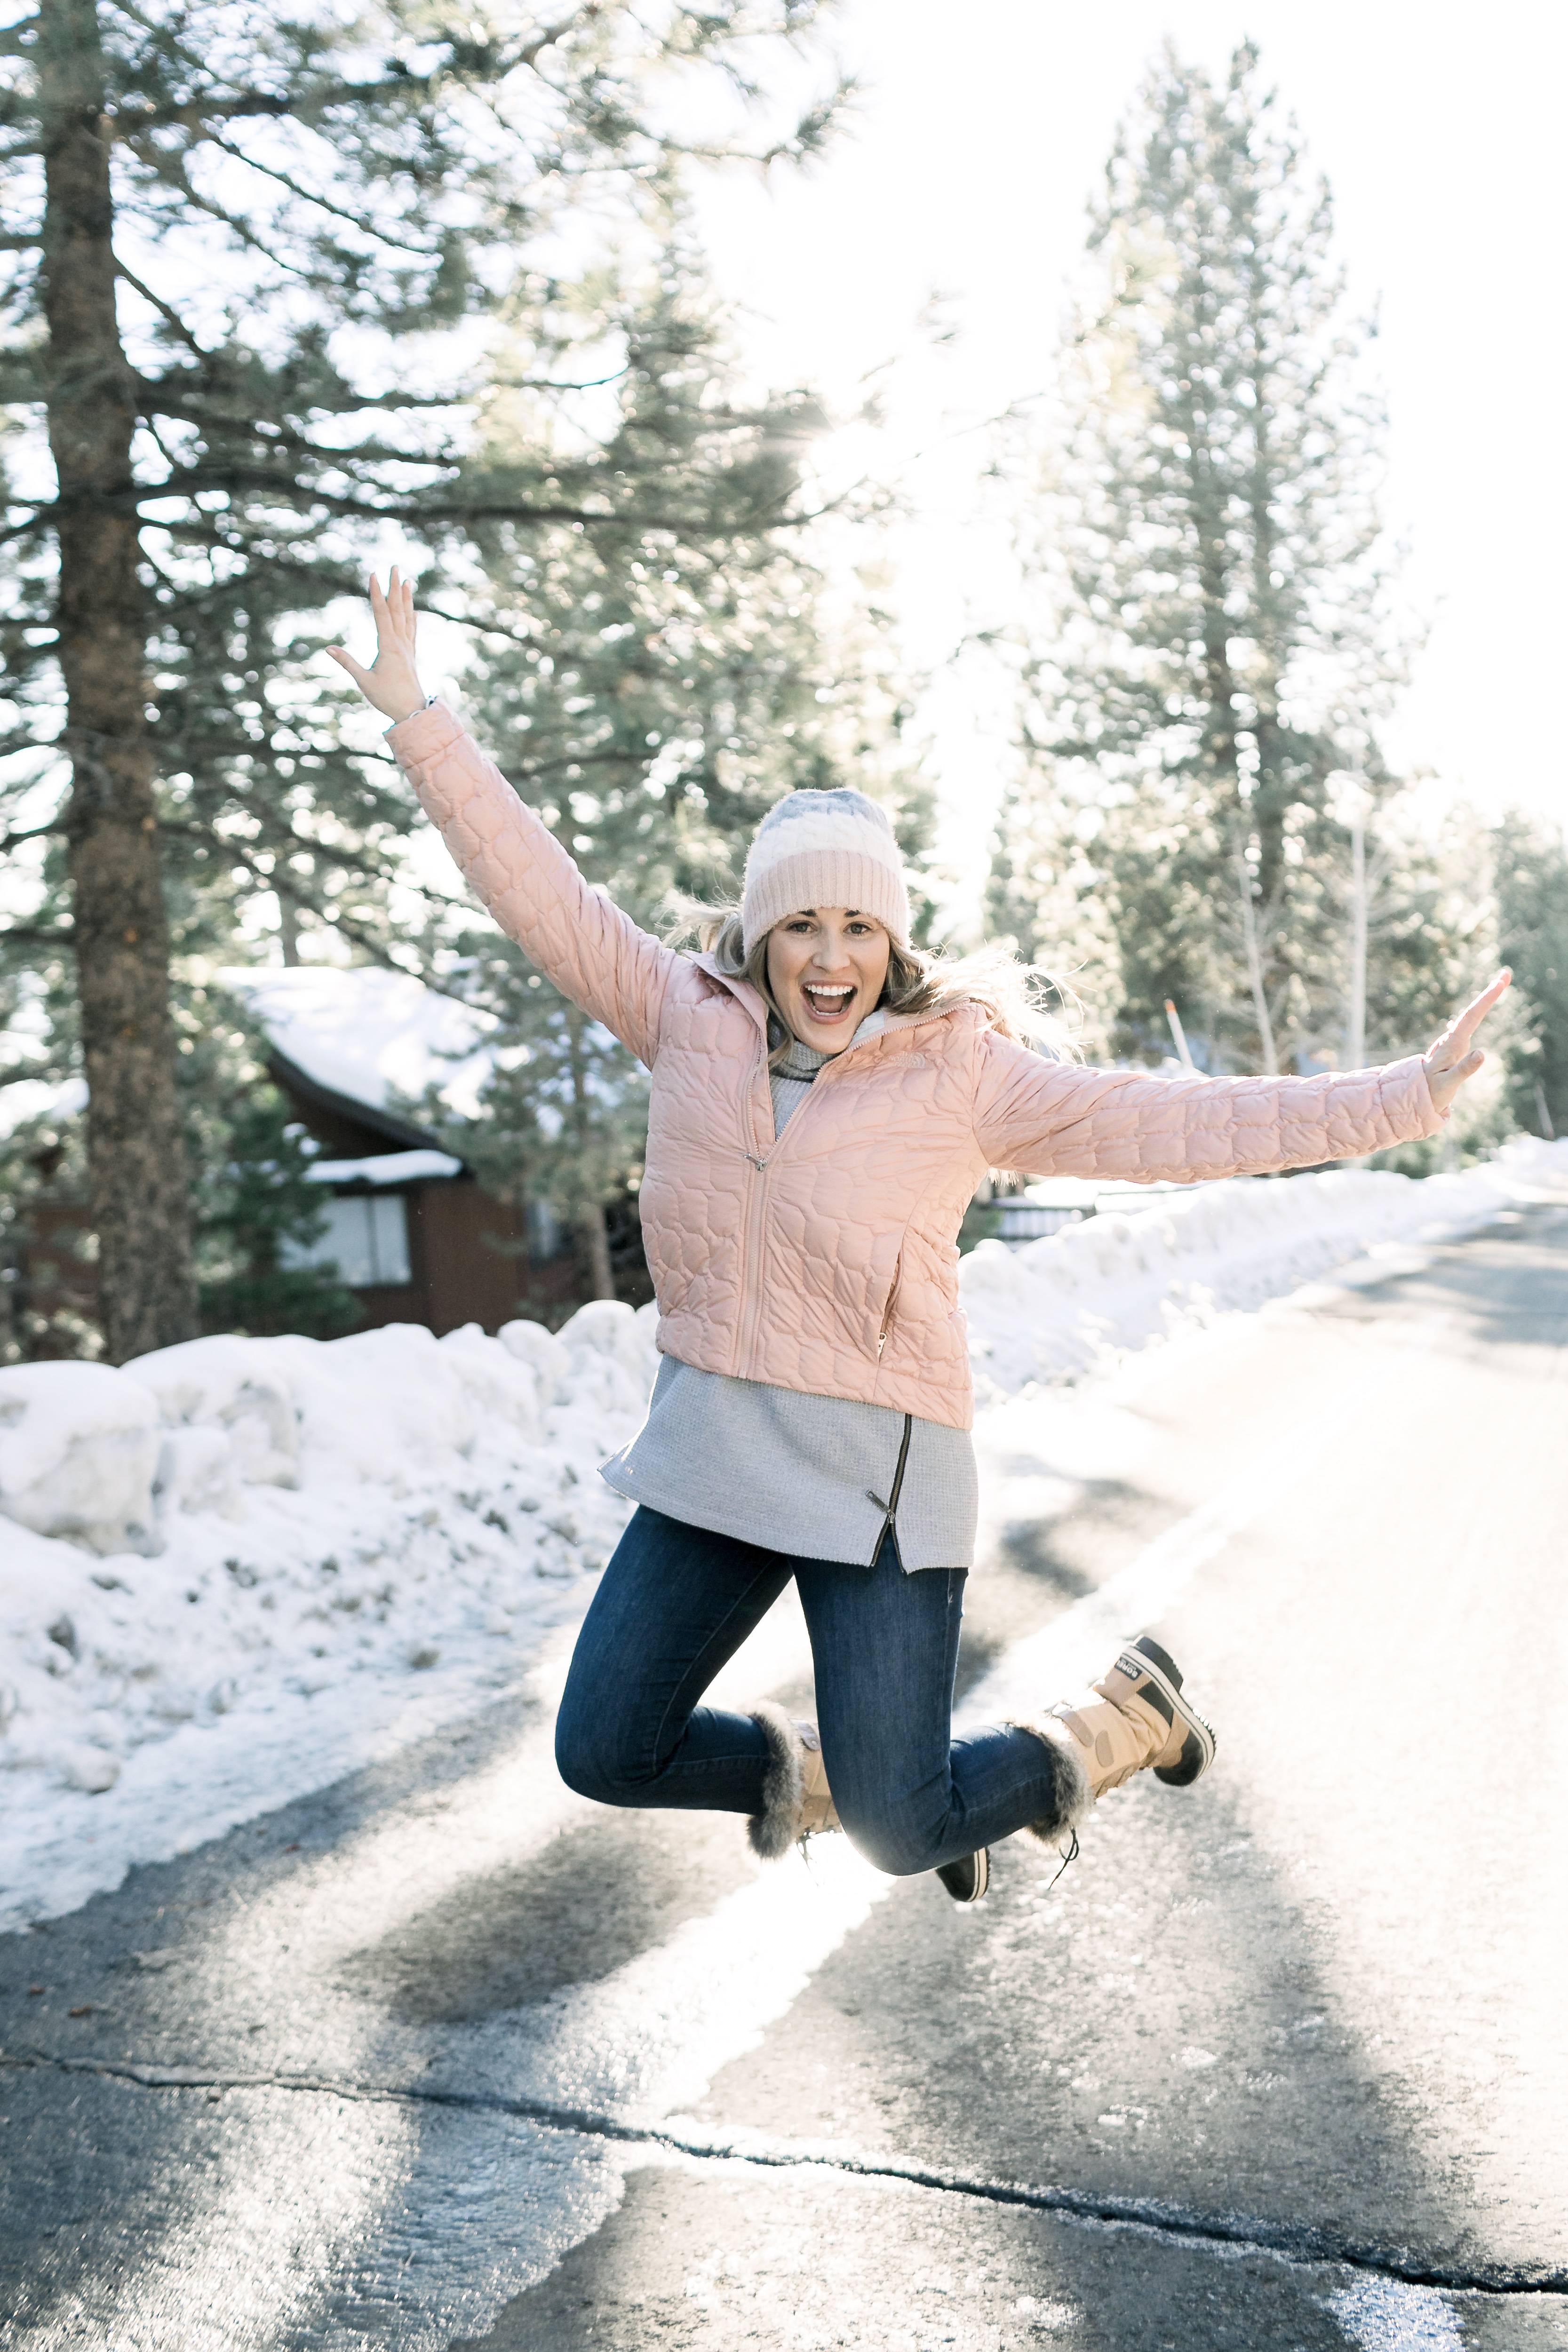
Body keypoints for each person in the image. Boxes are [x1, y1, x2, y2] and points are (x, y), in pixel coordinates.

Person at [330, 571, 1510, 1904]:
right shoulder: (680, 1016)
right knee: (605, 1744)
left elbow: (1182, 1119)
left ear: (890, 941)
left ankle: (1117, 1721)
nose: (828, 958)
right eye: (802, 926)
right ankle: (847, 1776)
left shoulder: (960, 1073)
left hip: (875, 1483)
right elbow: (530, 884)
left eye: (858, 928)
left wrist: (1403, 1095)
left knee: (908, 1830)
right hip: (717, 1447)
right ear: (761, 932)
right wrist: (420, 717)